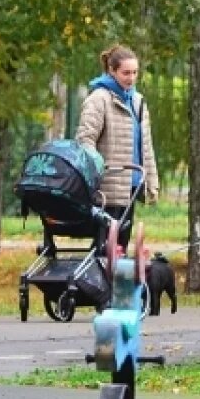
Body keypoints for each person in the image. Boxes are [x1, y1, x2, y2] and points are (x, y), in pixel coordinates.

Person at [75, 44, 160, 249]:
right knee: (104, 246)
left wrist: (151, 181)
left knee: (121, 246)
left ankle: (116, 281)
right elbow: (85, 140)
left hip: (131, 184)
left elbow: (145, 145)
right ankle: (96, 281)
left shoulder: (138, 101)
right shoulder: (98, 99)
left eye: (135, 73)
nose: (131, 78)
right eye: (125, 73)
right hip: (107, 187)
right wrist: (97, 171)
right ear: (112, 71)